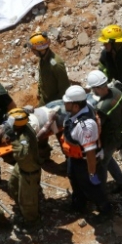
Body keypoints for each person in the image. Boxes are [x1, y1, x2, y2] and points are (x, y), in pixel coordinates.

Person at [61, 85, 113, 218]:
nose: (64, 104)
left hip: (85, 163)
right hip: (75, 159)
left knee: (92, 188)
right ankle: (79, 204)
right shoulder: (82, 109)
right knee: (73, 177)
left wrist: (91, 173)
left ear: (76, 106)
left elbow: (90, 152)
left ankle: (105, 211)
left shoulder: (85, 127)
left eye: (67, 102)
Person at [86, 70, 122, 194]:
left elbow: (97, 127)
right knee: (108, 159)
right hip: (119, 133)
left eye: (93, 89)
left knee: (101, 165)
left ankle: (101, 193)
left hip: (109, 140)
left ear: (97, 87)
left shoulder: (102, 107)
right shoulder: (118, 92)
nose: (93, 92)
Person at [29, 31, 70, 160]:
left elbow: (64, 89)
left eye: (34, 49)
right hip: (44, 101)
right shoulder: (43, 59)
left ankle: (70, 160)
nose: (32, 52)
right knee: (39, 128)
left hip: (55, 105)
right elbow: (42, 78)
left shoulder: (56, 64)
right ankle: (44, 153)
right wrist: (40, 92)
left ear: (41, 49)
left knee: (60, 133)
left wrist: (58, 108)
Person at [4, 107, 42, 228]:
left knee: (28, 202)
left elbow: (21, 154)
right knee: (12, 186)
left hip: (29, 172)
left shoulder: (24, 138)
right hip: (21, 167)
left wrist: (13, 139)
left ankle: (32, 222)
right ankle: (21, 206)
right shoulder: (22, 127)